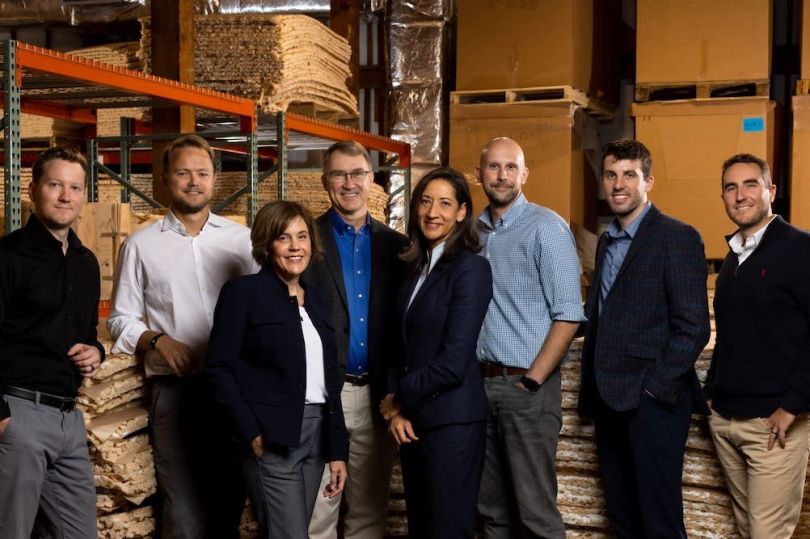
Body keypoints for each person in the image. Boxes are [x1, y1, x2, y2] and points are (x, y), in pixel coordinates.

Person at [108, 134, 258, 538]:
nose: (194, 181)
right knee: (184, 509)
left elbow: (267, 311)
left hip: (235, 391)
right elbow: (120, 319)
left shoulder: (242, 243)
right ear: (164, 179)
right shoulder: (141, 245)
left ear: (215, 180)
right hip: (176, 393)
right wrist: (157, 339)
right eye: (183, 173)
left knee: (229, 501)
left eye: (202, 173)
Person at [579, 139, 710, 538]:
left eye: (629, 175)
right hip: (607, 401)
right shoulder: (606, 241)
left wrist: (654, 390)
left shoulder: (677, 237)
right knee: (622, 516)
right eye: (611, 174)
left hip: (651, 404)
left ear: (648, 181)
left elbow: (694, 326)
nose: (618, 184)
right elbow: (604, 317)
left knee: (659, 520)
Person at [205, 200, 349, 539]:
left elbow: (331, 378)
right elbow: (218, 367)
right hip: (272, 435)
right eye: (284, 238)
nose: (295, 247)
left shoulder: (316, 300)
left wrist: (336, 450)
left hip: (316, 433)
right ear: (267, 246)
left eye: (302, 237)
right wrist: (249, 429)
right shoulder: (244, 293)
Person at [474, 137, 586, 538]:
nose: (501, 176)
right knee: (490, 512)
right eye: (493, 167)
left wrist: (532, 381)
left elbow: (569, 315)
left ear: (524, 174)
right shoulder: (473, 233)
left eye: (510, 167)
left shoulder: (547, 228)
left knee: (534, 512)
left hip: (525, 388)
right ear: (479, 174)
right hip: (479, 385)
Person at [380, 167, 493, 538]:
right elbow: (399, 345)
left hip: (452, 425)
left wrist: (398, 397)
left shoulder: (471, 269)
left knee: (447, 530)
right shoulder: (414, 268)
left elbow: (453, 361)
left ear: (462, 212)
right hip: (413, 424)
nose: (433, 212)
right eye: (426, 202)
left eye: (445, 203)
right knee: (423, 530)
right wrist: (396, 410)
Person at [0, 146, 104, 538]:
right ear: (33, 190)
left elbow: (88, 334)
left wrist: (97, 351)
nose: (65, 196)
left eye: (75, 188)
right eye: (55, 185)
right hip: (20, 414)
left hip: (68, 420)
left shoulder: (86, 262)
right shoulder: (8, 256)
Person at [704, 153, 810, 538]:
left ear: (771, 191)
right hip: (728, 420)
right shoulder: (734, 258)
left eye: (751, 184)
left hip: (773, 425)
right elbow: (732, 334)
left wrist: (792, 406)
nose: (740, 195)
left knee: (767, 534)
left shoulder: (800, 249)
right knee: (749, 530)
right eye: (731, 187)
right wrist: (712, 396)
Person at [306, 140, 408, 539]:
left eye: (357, 174)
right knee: (318, 512)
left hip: (377, 397)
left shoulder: (398, 248)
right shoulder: (304, 241)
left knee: (368, 513)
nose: (348, 183)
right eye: (338, 174)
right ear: (324, 181)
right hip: (322, 395)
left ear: (371, 180)